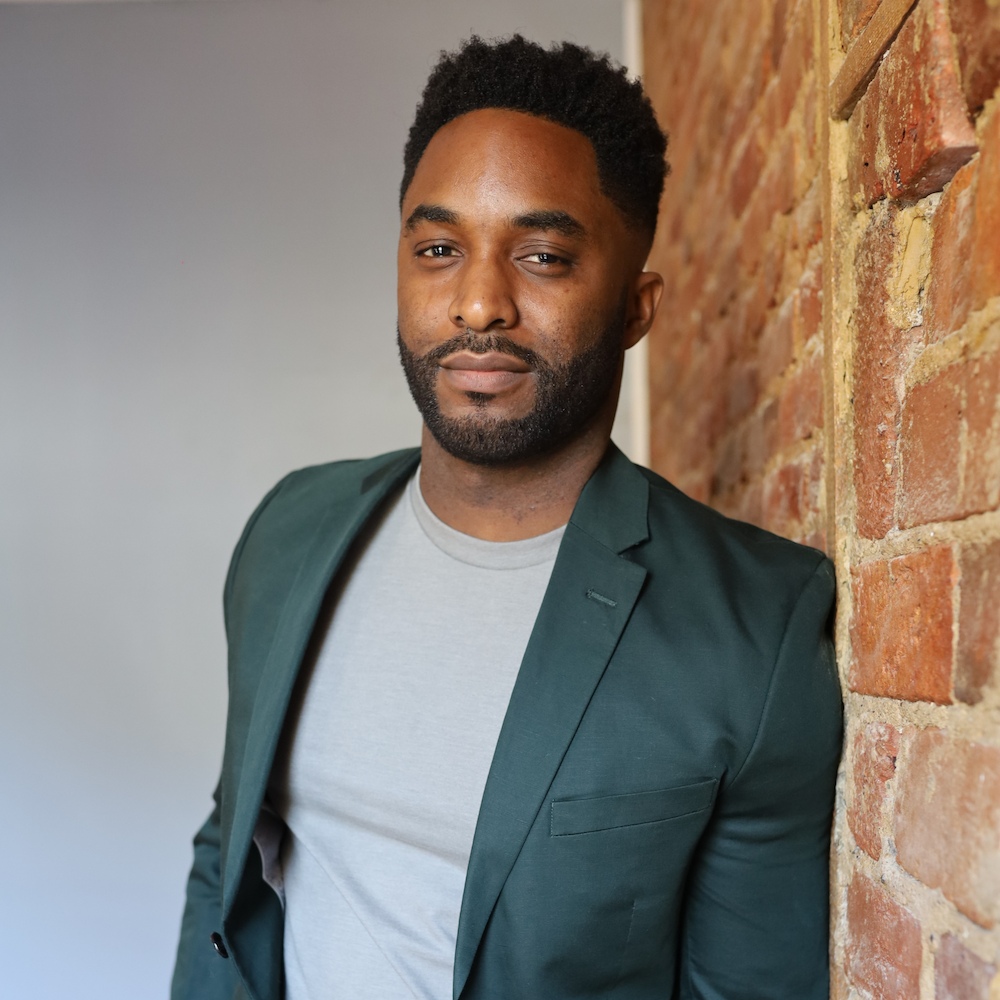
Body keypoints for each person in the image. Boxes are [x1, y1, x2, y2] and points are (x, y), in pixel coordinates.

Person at [171, 35, 842, 1000]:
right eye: (439, 249)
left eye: (542, 255)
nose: (478, 302)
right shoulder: (290, 532)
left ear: (635, 307)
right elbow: (228, 854)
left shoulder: (755, 632)